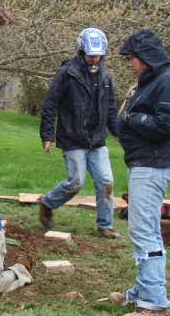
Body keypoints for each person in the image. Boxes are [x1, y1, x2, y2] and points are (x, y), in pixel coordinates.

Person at [111, 28, 170, 316]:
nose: (130, 63)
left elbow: (167, 126)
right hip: (143, 162)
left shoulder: (166, 82)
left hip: (153, 165)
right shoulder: (150, 80)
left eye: (133, 58)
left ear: (146, 57)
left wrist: (130, 119)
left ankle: (153, 304)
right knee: (144, 228)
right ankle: (141, 291)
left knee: (144, 232)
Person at [38, 27, 120, 238]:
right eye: (90, 55)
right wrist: (47, 135)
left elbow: (110, 108)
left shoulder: (105, 76)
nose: (94, 59)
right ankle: (48, 203)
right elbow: (50, 104)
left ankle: (105, 225)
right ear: (81, 51)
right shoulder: (68, 73)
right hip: (72, 137)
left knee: (106, 182)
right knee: (76, 182)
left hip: (97, 140)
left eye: (98, 56)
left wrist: (118, 132)